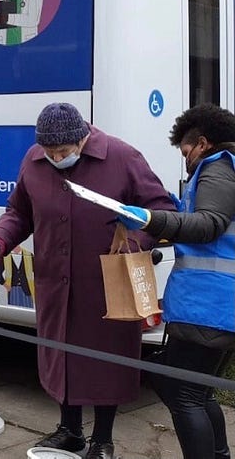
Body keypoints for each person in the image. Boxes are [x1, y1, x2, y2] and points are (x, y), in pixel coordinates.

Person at [0, 102, 173, 459]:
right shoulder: (33, 160)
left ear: (83, 138)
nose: (56, 157)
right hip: (56, 280)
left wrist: (134, 240)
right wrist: (1, 237)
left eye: (64, 151)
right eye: (50, 151)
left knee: (106, 359)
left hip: (106, 280)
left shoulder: (122, 156)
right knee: (61, 355)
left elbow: (162, 213)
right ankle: (69, 430)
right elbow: (19, 211)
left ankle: (103, 439)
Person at [118, 104, 235, 459]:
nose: (185, 160)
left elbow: (207, 224)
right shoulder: (224, 171)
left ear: (201, 143)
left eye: (186, 152)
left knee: (184, 394)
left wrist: (152, 219)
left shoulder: (217, 168)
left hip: (207, 305)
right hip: (214, 306)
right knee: (197, 392)